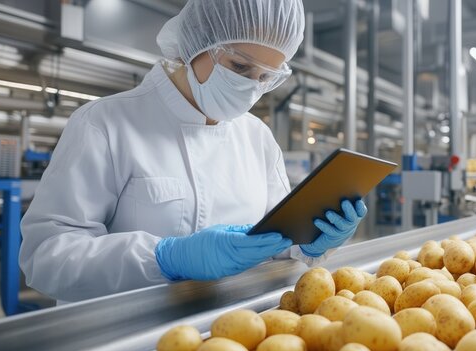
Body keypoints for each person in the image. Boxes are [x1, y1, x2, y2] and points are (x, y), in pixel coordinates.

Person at [19, 0, 366, 303]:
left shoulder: (257, 137)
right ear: (197, 42)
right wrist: (166, 258)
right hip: (126, 337)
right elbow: (48, 258)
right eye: (240, 67)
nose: (250, 87)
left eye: (265, 77)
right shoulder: (105, 124)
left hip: (232, 332)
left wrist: (309, 241)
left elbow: (276, 237)